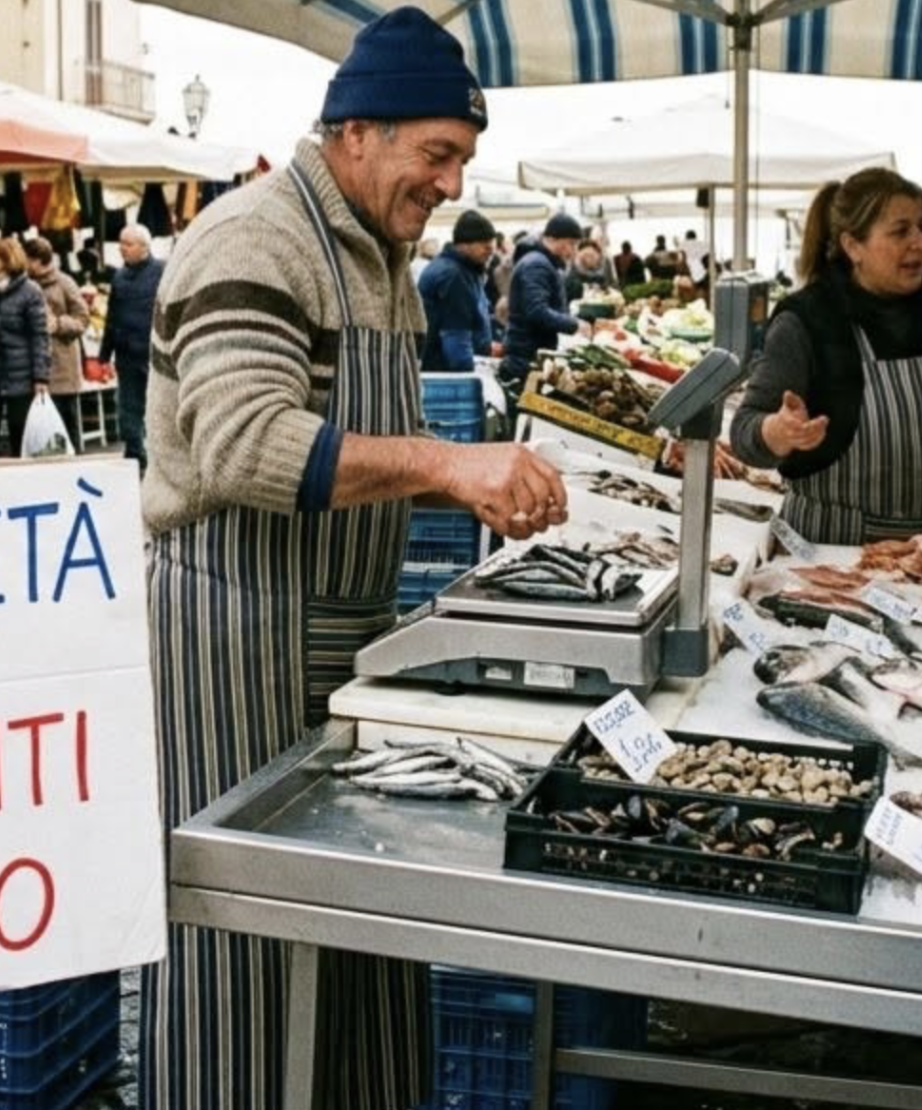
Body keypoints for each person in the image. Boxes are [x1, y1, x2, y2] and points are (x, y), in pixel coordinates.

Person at [140, 10, 568, 1110]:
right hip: (231, 633)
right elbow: (242, 446)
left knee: (358, 928)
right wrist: (442, 466)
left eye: (460, 161)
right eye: (436, 155)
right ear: (357, 132)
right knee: (244, 942)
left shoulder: (376, 255)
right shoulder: (255, 237)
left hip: (339, 633)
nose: (446, 183)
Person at [730, 169, 922, 544]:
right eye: (901, 231)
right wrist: (778, 431)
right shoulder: (808, 320)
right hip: (835, 558)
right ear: (853, 246)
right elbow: (744, 433)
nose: (920, 242)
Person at [0, 237, 49, 457]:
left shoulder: (30, 291)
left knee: (20, 433)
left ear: (7, 260)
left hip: (20, 376)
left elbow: (39, 336)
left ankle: (22, 483)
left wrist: (40, 377)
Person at [501, 213, 590, 400]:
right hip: (526, 356)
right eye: (572, 244)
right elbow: (536, 311)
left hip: (529, 352)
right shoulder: (537, 265)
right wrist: (574, 324)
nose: (574, 251)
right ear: (554, 239)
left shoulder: (541, 262)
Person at [98, 223, 163, 470]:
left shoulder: (162, 272)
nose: (122, 249)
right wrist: (104, 354)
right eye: (120, 243)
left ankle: (159, 455)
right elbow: (112, 317)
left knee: (156, 408)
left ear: (144, 247)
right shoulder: (119, 276)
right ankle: (135, 453)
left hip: (153, 354)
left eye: (128, 244)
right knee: (128, 409)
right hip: (126, 355)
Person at [25, 237, 91, 453]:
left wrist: (59, 324)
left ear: (37, 260)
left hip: (63, 369)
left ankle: (77, 467)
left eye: (27, 259)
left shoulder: (65, 283)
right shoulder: (25, 284)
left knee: (67, 425)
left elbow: (83, 319)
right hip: (35, 369)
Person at [418, 210, 495, 373]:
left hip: (444, 367)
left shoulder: (466, 269)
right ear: (464, 244)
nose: (490, 249)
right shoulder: (453, 276)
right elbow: (456, 339)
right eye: (483, 243)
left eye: (491, 242)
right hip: (444, 374)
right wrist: (471, 377)